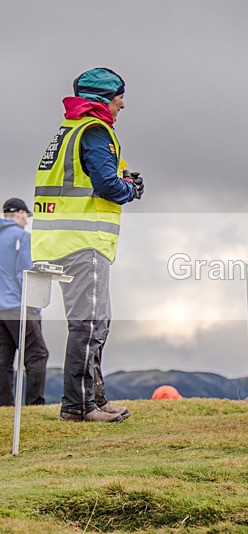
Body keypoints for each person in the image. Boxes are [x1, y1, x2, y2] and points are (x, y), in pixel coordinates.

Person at [32, 68, 144, 423]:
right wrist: (132, 189)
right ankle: (79, 407)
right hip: (84, 241)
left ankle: (94, 400)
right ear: (103, 100)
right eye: (118, 97)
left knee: (96, 321)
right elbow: (108, 186)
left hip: (58, 240)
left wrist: (119, 178)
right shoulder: (96, 131)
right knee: (89, 323)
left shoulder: (66, 132)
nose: (122, 104)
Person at [0, 198, 49, 406]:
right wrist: (35, 307)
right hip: (18, 307)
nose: (27, 221)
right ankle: (34, 404)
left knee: (3, 359)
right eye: (26, 216)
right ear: (19, 213)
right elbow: (24, 275)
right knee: (37, 354)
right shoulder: (22, 237)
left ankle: (4, 405)